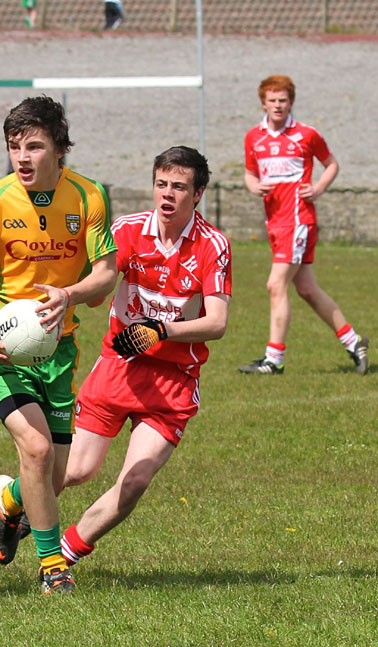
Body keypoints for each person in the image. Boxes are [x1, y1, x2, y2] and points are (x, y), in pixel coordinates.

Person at [0, 95, 118, 594]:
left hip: (59, 349)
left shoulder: (88, 197)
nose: (22, 157)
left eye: (33, 146)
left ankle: (11, 500)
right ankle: (53, 569)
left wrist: (69, 294)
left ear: (60, 148)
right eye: (14, 147)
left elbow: (106, 273)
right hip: (1, 350)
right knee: (37, 447)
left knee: (60, 473)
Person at [57, 145, 232, 568]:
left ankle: (64, 555)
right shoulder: (128, 230)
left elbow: (217, 323)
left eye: (179, 187)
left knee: (135, 481)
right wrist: (87, 291)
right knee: (77, 470)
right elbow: (100, 287)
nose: (167, 194)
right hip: (120, 366)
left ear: (199, 193)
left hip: (173, 381)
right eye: (161, 184)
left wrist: (159, 329)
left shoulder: (213, 245)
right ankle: (13, 497)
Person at [239, 75, 368, 375]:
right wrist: (253, 185)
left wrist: (319, 187)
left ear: (291, 102)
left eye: (283, 100)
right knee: (307, 289)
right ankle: (354, 342)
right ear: (263, 103)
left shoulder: (306, 134)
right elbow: (248, 173)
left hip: (297, 220)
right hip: (275, 220)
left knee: (275, 285)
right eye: (272, 100)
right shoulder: (253, 137)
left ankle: (274, 359)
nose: (278, 105)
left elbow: (332, 163)